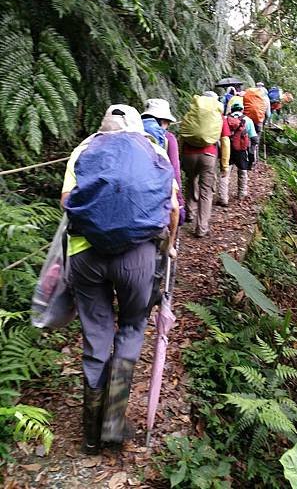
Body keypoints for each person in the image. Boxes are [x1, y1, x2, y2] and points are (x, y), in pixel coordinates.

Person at [61, 105, 179, 454]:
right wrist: (168, 248)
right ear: (136, 127)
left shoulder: (83, 150)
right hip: (138, 257)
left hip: (85, 254)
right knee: (131, 327)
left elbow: (66, 201)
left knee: (96, 337)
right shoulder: (154, 151)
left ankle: (90, 436)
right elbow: (172, 209)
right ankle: (113, 423)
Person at [180, 91, 230, 237]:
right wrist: (224, 165)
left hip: (189, 155)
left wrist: (180, 155)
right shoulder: (219, 116)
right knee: (206, 192)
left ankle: (189, 213)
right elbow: (225, 141)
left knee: (190, 181)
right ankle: (201, 228)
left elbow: (182, 135)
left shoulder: (191, 113)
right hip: (208, 155)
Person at [141, 98, 185, 225]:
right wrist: (179, 203)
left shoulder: (132, 135)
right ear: (163, 120)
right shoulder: (168, 139)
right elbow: (174, 172)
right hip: (159, 196)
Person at [218, 100, 257, 205]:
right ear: (242, 109)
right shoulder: (247, 120)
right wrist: (252, 153)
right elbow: (254, 138)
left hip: (227, 149)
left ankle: (223, 198)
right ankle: (242, 194)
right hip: (241, 150)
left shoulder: (225, 119)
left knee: (224, 172)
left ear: (231, 110)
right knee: (242, 171)